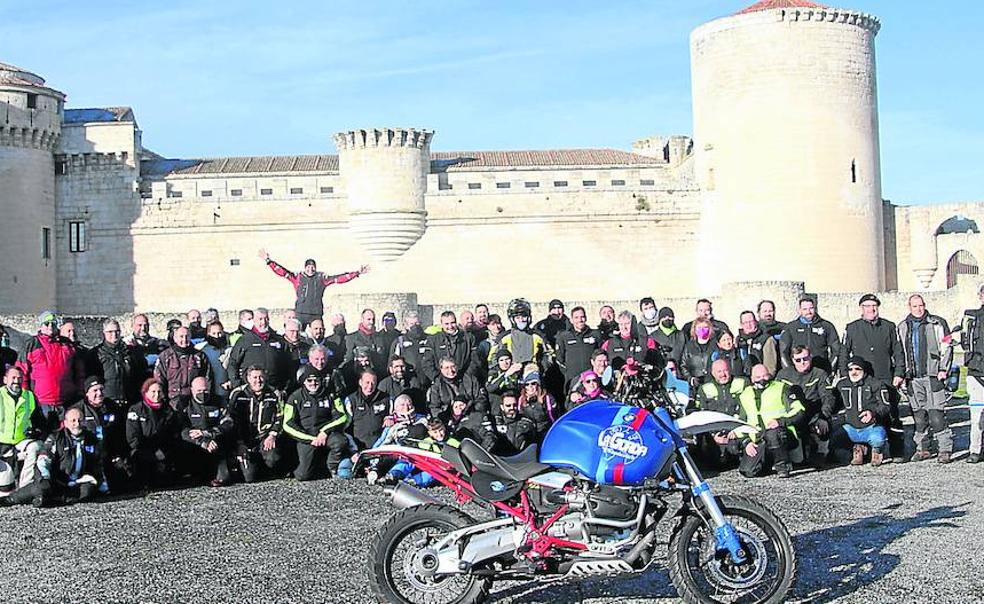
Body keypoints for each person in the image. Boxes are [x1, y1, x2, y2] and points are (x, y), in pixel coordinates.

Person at [840, 293, 906, 460]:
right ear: (861, 308)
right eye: (867, 306)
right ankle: (866, 449)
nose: (871, 309)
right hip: (862, 379)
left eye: (874, 306)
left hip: (885, 376)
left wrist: (899, 373)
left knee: (891, 414)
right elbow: (844, 353)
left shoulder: (889, 326)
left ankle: (896, 450)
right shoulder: (852, 328)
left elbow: (898, 351)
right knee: (862, 412)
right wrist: (844, 375)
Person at [1, 407, 105, 507]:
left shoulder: (92, 439)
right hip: (56, 481)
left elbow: (97, 464)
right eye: (73, 421)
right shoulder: (55, 438)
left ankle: (49, 500)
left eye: (80, 420)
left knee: (88, 491)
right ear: (66, 423)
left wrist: (94, 478)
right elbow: (43, 460)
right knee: (41, 488)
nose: (77, 424)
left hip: (78, 482)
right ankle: (11, 499)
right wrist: (45, 477)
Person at [897, 294, 953, 464]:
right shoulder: (902, 326)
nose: (918, 309)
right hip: (913, 377)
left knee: (936, 415)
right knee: (919, 417)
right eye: (915, 306)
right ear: (909, 307)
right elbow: (900, 352)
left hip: (933, 375)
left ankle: (945, 448)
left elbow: (947, 346)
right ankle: (923, 448)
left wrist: (944, 369)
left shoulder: (937, 323)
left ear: (925, 305)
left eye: (921, 305)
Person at [259, 248, 368, 328]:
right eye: (308, 267)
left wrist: (357, 273)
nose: (310, 269)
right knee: (298, 333)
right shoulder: (298, 278)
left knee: (318, 333)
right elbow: (282, 272)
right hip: (301, 312)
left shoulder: (321, 278)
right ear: (305, 268)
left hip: (316, 313)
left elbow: (340, 278)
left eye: (312, 267)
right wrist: (269, 261)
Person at [731, 364, 805, 478]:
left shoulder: (782, 388)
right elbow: (741, 422)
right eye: (758, 377)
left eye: (765, 376)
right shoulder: (745, 394)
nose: (762, 380)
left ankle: (783, 467)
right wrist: (746, 442)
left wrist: (781, 422)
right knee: (748, 471)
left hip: (782, 434)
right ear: (751, 378)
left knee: (773, 434)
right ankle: (769, 463)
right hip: (758, 439)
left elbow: (799, 411)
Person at [282, 366, 349, 480]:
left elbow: (342, 416)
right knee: (303, 476)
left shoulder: (331, 394)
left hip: (326, 435)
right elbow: (287, 424)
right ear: (304, 381)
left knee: (340, 441)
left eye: (316, 380)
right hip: (306, 436)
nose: (313, 383)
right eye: (309, 380)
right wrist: (310, 439)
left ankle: (331, 469)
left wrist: (325, 431)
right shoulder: (294, 397)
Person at [776, 345, 837, 466]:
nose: (802, 362)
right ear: (792, 360)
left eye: (805, 358)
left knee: (823, 426)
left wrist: (823, 417)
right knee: (798, 460)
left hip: (813, 415)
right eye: (798, 360)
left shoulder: (819, 374)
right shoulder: (783, 375)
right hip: (793, 417)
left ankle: (821, 450)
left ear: (811, 357)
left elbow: (828, 397)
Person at [19, 310, 80, 429]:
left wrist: (79, 392)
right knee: (44, 437)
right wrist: (26, 397)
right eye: (47, 324)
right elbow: (21, 372)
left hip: (66, 401)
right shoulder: (32, 344)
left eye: (53, 323)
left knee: (65, 438)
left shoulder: (66, 344)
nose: (50, 326)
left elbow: (79, 371)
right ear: (41, 326)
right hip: (41, 403)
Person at [226, 366, 286, 482]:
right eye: (254, 377)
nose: (258, 380)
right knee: (249, 478)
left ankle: (266, 468)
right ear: (248, 378)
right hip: (244, 440)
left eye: (261, 377)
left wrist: (273, 435)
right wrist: (239, 443)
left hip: (265, 438)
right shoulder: (238, 393)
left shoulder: (274, 393)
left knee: (273, 459)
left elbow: (281, 416)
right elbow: (230, 419)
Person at [71, 376, 129, 491]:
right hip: (87, 458)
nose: (99, 393)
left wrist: (119, 455)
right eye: (95, 390)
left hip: (109, 455)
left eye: (101, 389)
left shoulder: (112, 407)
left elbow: (120, 434)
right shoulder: (78, 410)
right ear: (87, 393)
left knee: (125, 484)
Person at [833, 357, 890, 467]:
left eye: (857, 369)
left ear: (864, 370)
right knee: (834, 438)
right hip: (851, 427)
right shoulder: (842, 385)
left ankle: (876, 451)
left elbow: (886, 406)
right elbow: (834, 405)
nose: (854, 372)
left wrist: (873, 413)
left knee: (878, 439)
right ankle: (858, 449)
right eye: (851, 369)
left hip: (871, 427)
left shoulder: (876, 384)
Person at [126, 378, 182, 488]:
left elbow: (172, 434)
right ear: (145, 392)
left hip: (163, 451)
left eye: (159, 392)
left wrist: (164, 452)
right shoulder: (136, 410)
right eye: (153, 392)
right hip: (143, 451)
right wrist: (152, 454)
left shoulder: (168, 410)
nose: (156, 395)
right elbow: (133, 438)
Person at [691, 359, 747, 467]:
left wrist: (736, 432)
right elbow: (703, 415)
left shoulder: (742, 383)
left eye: (725, 370)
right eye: (719, 372)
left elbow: (748, 410)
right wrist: (713, 435)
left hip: (737, 430)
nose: (723, 374)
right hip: (715, 433)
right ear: (713, 373)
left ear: (730, 370)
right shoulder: (705, 389)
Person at [181, 377, 236, 486]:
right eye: (199, 391)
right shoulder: (184, 404)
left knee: (225, 478)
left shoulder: (220, 402)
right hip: (196, 444)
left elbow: (228, 423)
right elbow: (183, 430)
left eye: (205, 390)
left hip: (217, 442)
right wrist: (204, 441)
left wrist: (208, 433)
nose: (203, 393)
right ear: (192, 390)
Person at [0, 366, 46, 496]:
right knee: (5, 492)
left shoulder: (30, 396)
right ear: (5, 379)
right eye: (13, 378)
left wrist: (36, 431)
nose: (16, 381)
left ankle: (25, 488)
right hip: (1, 444)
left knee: (36, 446)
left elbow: (40, 421)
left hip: (21, 442)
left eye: (20, 378)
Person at [375, 417, 458, 487]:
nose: (439, 434)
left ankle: (411, 482)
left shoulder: (453, 442)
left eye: (441, 430)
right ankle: (393, 475)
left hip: (440, 468)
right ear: (430, 433)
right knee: (409, 459)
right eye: (435, 432)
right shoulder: (426, 442)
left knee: (432, 474)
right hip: (426, 463)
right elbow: (417, 451)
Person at [227, 308, 291, 392]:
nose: (263, 322)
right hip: (251, 389)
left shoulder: (277, 339)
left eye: (266, 319)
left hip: (274, 388)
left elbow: (287, 364)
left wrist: (285, 387)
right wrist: (237, 383)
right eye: (260, 319)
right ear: (254, 320)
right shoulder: (245, 340)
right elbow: (233, 362)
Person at [86, 319, 145, 405]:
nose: (114, 335)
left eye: (117, 331)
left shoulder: (130, 352)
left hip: (130, 401)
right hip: (107, 402)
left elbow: (140, 374)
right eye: (110, 332)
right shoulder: (95, 354)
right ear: (104, 333)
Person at [153, 326, 211, 412]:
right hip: (172, 403)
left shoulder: (199, 356)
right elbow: (159, 381)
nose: (184, 339)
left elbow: (207, 378)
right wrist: (163, 401)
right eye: (181, 336)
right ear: (175, 338)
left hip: (195, 402)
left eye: (187, 336)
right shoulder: (165, 356)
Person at [779, 297, 840, 373]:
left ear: (815, 308)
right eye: (805, 309)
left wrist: (830, 368)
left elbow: (836, 350)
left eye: (811, 308)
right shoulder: (791, 327)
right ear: (800, 310)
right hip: (798, 371)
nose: (808, 312)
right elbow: (783, 352)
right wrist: (790, 371)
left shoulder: (827, 326)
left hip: (820, 370)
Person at [961, 283, 984, 463]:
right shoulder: (970, 318)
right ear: (980, 296)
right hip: (976, 372)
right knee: (976, 415)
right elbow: (961, 341)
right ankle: (975, 450)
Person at [423, 310, 480, 382]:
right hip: (441, 382)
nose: (450, 326)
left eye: (452, 323)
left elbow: (475, 361)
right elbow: (427, 364)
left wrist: (467, 377)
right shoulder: (433, 340)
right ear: (441, 324)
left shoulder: (469, 338)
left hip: (464, 381)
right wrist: (437, 379)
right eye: (446, 324)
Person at [554, 306, 600, 392]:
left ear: (586, 318)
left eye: (582, 317)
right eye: (576, 317)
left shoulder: (595, 334)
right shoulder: (564, 336)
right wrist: (568, 372)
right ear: (571, 320)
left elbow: (600, 355)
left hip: (591, 379)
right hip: (572, 379)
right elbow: (559, 359)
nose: (580, 320)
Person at [345, 370, 390, 451]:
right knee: (344, 464)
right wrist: (352, 451)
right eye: (367, 382)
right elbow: (346, 428)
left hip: (380, 447)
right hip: (356, 449)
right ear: (360, 382)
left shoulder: (386, 399)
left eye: (373, 383)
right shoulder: (351, 400)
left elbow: (397, 414)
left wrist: (391, 418)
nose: (370, 386)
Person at [390, 311, 430, 386]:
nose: (415, 326)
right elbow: (392, 365)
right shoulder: (399, 342)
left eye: (417, 323)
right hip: (408, 383)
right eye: (411, 324)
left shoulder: (430, 340)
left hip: (428, 382)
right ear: (406, 326)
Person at [517, 370, 559, 438]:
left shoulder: (547, 397)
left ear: (538, 384)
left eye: (533, 383)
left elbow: (553, 416)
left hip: (545, 431)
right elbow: (519, 417)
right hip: (529, 432)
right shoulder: (521, 399)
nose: (530, 387)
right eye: (527, 384)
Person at [345, 309, 389, 374]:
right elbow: (349, 360)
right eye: (368, 319)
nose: (371, 322)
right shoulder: (352, 338)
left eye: (373, 319)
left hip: (379, 375)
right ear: (362, 320)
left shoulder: (381, 338)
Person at [493, 391, 537, 455]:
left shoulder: (527, 423)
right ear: (502, 407)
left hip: (520, 460)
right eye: (508, 406)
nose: (512, 408)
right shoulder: (494, 422)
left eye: (514, 405)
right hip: (500, 460)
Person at [736, 311, 780, 376]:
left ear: (756, 322)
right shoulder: (738, 340)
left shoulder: (766, 339)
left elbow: (770, 367)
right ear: (741, 325)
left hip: (761, 378)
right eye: (745, 322)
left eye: (751, 321)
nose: (748, 325)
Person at [197, 320, 231, 404]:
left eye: (219, 333)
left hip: (226, 391)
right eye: (214, 333)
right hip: (209, 392)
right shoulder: (202, 351)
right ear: (208, 334)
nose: (217, 336)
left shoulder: (230, 350)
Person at [679, 318, 715, 388]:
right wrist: (690, 379)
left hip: (712, 382)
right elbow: (683, 365)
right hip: (696, 385)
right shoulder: (689, 346)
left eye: (705, 327)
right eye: (699, 328)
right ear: (694, 330)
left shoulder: (715, 345)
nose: (702, 330)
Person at [486, 349, 524, 414]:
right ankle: (497, 417)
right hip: (499, 399)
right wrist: (506, 375)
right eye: (501, 360)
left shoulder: (517, 370)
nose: (505, 363)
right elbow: (490, 388)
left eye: (507, 359)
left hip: (514, 397)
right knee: (494, 395)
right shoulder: (493, 371)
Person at [283, 318, 311, 391]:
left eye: (297, 331)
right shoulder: (279, 346)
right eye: (292, 331)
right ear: (286, 331)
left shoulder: (306, 348)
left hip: (302, 386)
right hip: (285, 385)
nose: (295, 334)